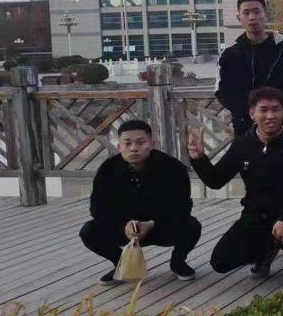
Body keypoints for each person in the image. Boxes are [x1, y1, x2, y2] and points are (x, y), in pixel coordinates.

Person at [188, 87, 283, 282]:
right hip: (256, 215)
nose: (270, 116)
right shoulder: (242, 144)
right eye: (264, 110)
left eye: (275, 109)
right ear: (252, 113)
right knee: (220, 262)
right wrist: (199, 159)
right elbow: (215, 180)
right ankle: (266, 249)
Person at [80, 120, 201, 285]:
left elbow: (182, 207)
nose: (134, 148)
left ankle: (178, 262)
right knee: (89, 230)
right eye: (127, 143)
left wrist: (151, 223)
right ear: (119, 146)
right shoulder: (108, 169)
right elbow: (98, 208)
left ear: (152, 144)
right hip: (125, 229)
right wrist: (124, 224)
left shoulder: (172, 167)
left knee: (192, 225)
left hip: (159, 227)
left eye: (140, 142)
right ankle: (121, 264)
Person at [217, 0, 283, 135]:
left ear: (265, 15)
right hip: (244, 128)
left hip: (281, 124)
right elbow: (222, 91)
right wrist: (253, 113)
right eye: (246, 13)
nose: (252, 17)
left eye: (257, 12)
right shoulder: (229, 54)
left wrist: (272, 112)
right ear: (239, 18)